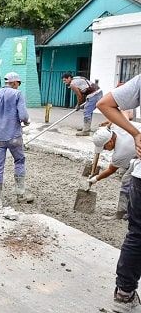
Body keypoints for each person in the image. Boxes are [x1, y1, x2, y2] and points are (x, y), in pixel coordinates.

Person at [97, 74, 141, 312]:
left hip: (138, 172)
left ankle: (124, 293)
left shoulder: (121, 149)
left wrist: (95, 178)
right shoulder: (113, 130)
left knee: (137, 234)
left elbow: (112, 169)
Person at [0, 72, 33, 206]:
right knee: (19, 161)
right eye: (18, 84)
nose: (18, 87)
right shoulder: (17, 94)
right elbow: (23, 115)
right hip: (14, 136)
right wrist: (27, 121)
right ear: (14, 83)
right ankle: (20, 194)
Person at [88, 126, 136, 220]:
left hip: (137, 153)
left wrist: (96, 178)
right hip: (135, 149)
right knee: (125, 170)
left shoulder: (120, 154)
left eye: (104, 147)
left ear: (110, 142)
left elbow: (111, 170)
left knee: (127, 180)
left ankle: (121, 213)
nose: (104, 149)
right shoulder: (117, 127)